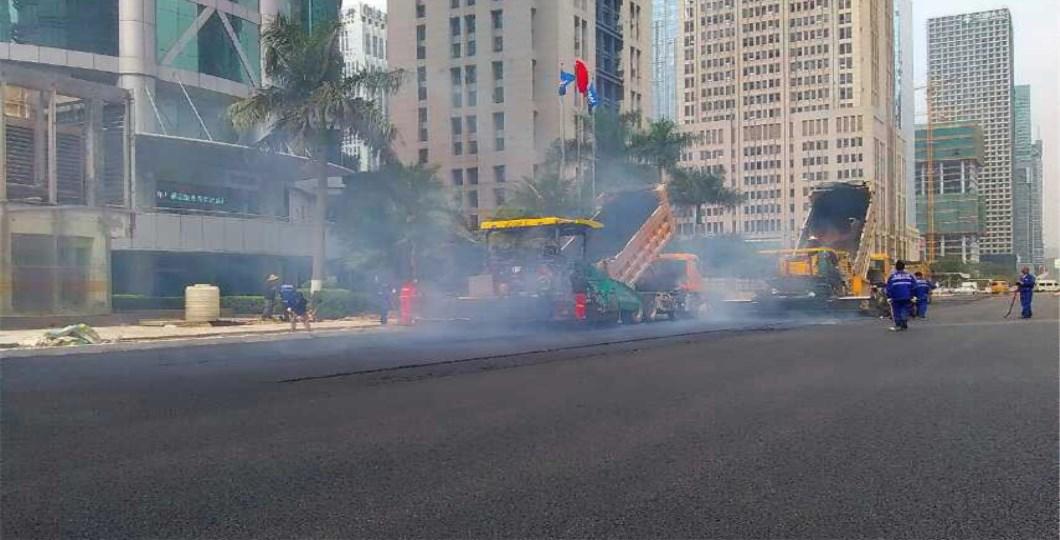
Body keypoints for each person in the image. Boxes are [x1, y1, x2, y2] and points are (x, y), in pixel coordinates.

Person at [885, 260, 916, 331]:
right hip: (907, 296)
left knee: (896, 310)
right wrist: (913, 296)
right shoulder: (909, 276)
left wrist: (889, 297)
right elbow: (914, 286)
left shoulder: (892, 277)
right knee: (905, 308)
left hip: (896, 297)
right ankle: (904, 322)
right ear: (904, 267)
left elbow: (889, 288)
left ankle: (898, 324)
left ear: (896, 267)